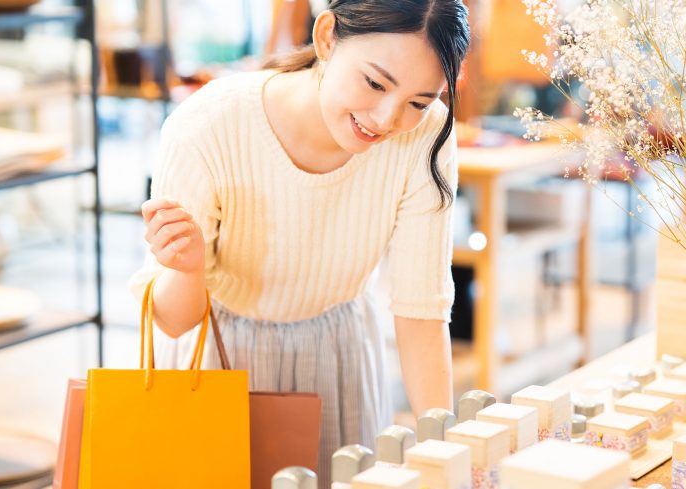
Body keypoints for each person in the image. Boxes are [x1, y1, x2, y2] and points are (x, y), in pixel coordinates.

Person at [130, 0, 470, 483]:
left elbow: (421, 309)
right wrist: (184, 269)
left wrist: (446, 457)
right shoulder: (210, 125)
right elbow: (173, 320)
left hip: (340, 358)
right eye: (375, 83)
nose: (385, 118)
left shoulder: (427, 135)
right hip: (214, 358)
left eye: (419, 100)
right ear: (328, 36)